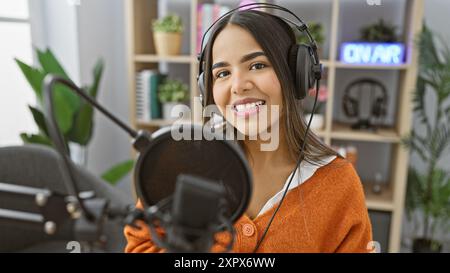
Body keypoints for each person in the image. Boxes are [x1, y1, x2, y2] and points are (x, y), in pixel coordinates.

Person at [124, 8, 373, 253]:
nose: (238, 86)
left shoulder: (338, 184)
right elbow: (140, 246)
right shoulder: (179, 166)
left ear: (296, 74)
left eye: (256, 65)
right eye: (222, 73)